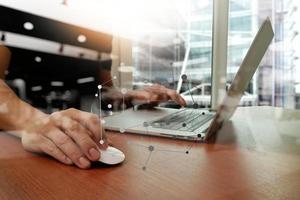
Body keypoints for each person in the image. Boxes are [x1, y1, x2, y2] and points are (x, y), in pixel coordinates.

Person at [0, 45, 186, 169]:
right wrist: (35, 122)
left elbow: (103, 90)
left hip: (87, 137)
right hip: (19, 147)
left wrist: (131, 96)